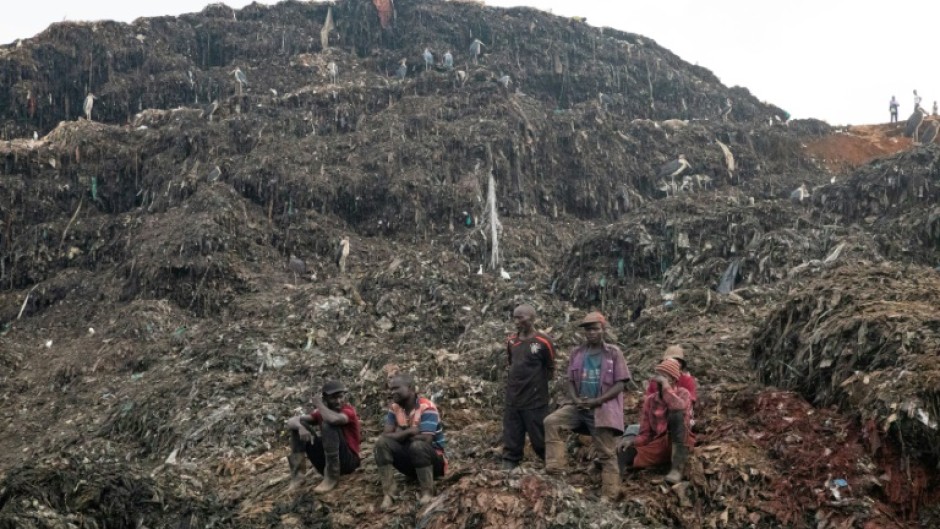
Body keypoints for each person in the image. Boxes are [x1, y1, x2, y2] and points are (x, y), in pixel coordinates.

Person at [543, 311, 631, 500]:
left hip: (601, 409)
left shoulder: (613, 353)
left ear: (603, 330)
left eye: (594, 329)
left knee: (607, 453)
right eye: (587, 330)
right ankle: (555, 471)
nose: (591, 333)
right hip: (579, 406)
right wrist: (575, 399)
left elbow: (621, 383)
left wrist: (597, 401)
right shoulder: (577, 353)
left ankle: (610, 495)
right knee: (551, 422)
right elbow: (570, 381)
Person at [375, 374, 446, 509]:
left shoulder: (427, 407)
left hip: (434, 463)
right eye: (390, 389)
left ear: (411, 388)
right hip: (411, 462)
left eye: (396, 388)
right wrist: (410, 431)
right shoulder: (394, 408)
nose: (392, 392)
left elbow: (426, 439)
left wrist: (399, 433)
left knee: (418, 446)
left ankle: (428, 491)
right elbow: (386, 435)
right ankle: (389, 493)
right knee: (381, 444)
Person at [619, 358, 694, 484]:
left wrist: (666, 387)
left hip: (679, 443)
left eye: (663, 376)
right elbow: (645, 434)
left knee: (676, 415)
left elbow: (678, 408)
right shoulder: (650, 400)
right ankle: (615, 480)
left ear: (672, 379)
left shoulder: (683, 393)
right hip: (658, 445)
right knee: (624, 451)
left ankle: (677, 469)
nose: (658, 380)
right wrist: (632, 441)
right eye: (658, 376)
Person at [502, 304, 556, 470]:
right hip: (513, 396)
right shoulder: (512, 341)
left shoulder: (543, 341)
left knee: (539, 434)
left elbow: (550, 367)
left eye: (521, 317)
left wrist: (537, 387)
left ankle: (549, 462)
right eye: (515, 318)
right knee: (512, 432)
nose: (517, 321)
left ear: (532, 318)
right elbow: (512, 363)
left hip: (535, 398)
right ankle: (510, 460)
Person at [285, 380, 362, 493]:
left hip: (348, 462)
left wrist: (319, 404)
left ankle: (331, 477)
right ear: (325, 399)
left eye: (340, 397)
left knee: (328, 424)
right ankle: (298, 477)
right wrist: (300, 427)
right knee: (299, 426)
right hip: (325, 463)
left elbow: (334, 419)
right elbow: (291, 421)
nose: (338, 401)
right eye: (333, 398)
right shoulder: (321, 413)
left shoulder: (348, 411)